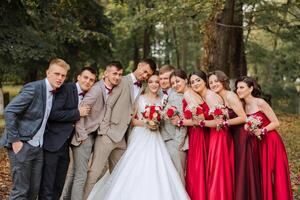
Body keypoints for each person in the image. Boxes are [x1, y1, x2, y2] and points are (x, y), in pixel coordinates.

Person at [87, 73, 190, 200]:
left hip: (156, 136)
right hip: (140, 135)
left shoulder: (164, 100)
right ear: (148, 83)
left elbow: (165, 119)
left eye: (157, 82)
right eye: (151, 82)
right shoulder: (140, 98)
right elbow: (133, 120)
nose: (154, 84)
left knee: (158, 165)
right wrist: (147, 123)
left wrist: (156, 122)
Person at [83, 58, 156, 199]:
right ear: (139, 65)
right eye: (145, 71)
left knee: (120, 174)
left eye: (148, 74)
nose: (145, 75)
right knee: (94, 172)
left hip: (122, 139)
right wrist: (105, 130)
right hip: (108, 135)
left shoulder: (142, 87)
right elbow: (109, 104)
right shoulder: (122, 80)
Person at [0, 58, 70, 200]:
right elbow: (9, 111)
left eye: (63, 75)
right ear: (48, 73)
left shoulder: (54, 92)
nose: (60, 78)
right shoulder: (34, 88)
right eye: (57, 74)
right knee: (20, 192)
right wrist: (15, 140)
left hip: (38, 147)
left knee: (33, 191)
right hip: (22, 145)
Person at [38, 67, 97, 200]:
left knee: (59, 185)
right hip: (53, 143)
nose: (88, 82)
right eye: (86, 77)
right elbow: (52, 113)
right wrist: (77, 113)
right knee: (48, 185)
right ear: (79, 77)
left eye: (92, 80)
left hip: (66, 145)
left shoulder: (89, 95)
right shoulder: (66, 89)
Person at [68, 61, 124, 200]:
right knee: (80, 175)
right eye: (114, 73)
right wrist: (82, 136)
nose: (117, 77)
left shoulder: (115, 89)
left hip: (96, 135)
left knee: (76, 173)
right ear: (106, 73)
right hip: (85, 135)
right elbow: (80, 112)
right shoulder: (96, 89)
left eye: (120, 75)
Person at [235, 76, 293, 200]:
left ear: (250, 89)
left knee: (272, 175)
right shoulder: (242, 106)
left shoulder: (260, 102)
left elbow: (276, 122)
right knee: (261, 175)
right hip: (256, 144)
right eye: (237, 88)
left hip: (270, 141)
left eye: (241, 87)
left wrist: (261, 130)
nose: (238, 90)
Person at [208, 71, 261, 200]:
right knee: (237, 172)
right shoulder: (220, 97)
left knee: (243, 171)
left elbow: (243, 117)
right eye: (211, 82)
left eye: (216, 81)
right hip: (233, 136)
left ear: (223, 80)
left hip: (241, 136)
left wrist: (224, 122)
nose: (214, 84)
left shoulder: (230, 95)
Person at [189, 70, 234, 200]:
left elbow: (219, 122)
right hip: (213, 136)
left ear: (204, 81)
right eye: (192, 82)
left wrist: (200, 123)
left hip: (220, 135)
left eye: (198, 80)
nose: (195, 84)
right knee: (214, 173)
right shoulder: (204, 96)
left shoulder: (210, 96)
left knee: (218, 174)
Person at [170, 69, 207, 200]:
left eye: (177, 81)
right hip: (196, 133)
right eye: (172, 83)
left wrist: (180, 121)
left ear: (185, 80)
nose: (175, 85)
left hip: (197, 134)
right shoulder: (191, 93)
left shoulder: (188, 95)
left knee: (196, 171)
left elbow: (200, 119)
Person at [158, 65, 188, 184]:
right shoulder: (160, 94)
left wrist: (178, 144)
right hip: (163, 140)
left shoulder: (179, 95)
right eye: (161, 79)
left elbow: (182, 122)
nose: (163, 81)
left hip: (176, 142)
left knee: (178, 177)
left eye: (166, 78)